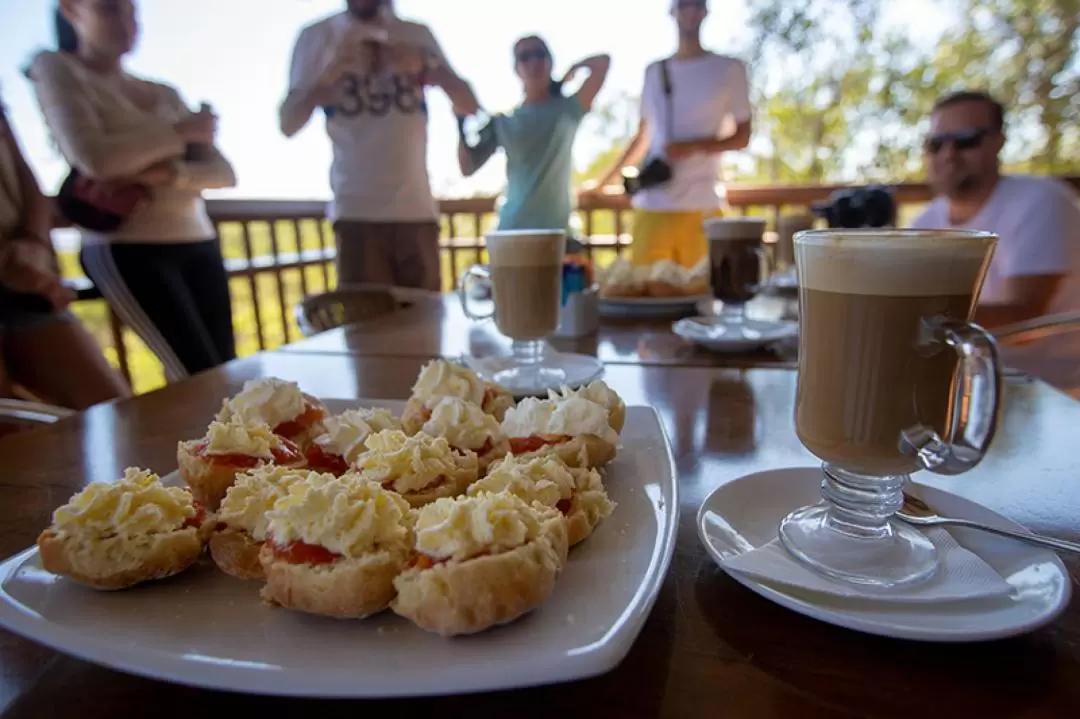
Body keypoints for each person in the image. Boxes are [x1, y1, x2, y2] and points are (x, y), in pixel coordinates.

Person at [28, 0, 238, 382]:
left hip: (199, 238)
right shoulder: (57, 68)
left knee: (223, 369)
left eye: (131, 11)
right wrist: (181, 134)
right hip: (130, 247)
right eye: (109, 9)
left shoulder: (165, 93)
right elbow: (97, 160)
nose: (127, 23)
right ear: (71, 11)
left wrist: (156, 173)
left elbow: (224, 173)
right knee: (197, 375)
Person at [280, 0, 480, 291]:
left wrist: (428, 68)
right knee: (366, 332)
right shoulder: (317, 37)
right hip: (356, 215)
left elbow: (470, 105)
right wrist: (329, 75)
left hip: (417, 212)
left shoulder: (416, 34)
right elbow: (288, 124)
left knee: (427, 330)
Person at [586, 0, 752, 268]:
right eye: (683, 4)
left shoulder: (730, 69)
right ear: (672, 10)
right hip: (653, 206)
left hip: (703, 205)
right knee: (645, 293)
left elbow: (742, 136)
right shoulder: (654, 72)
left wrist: (694, 146)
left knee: (702, 297)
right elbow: (642, 137)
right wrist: (603, 183)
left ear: (705, 11)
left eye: (696, 4)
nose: (690, 10)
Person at [911, 91, 1080, 329]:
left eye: (966, 140)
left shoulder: (1042, 200)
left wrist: (906, 316)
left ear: (999, 142)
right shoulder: (923, 223)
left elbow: (1026, 318)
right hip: (973, 364)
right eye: (936, 144)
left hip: (1046, 367)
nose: (948, 154)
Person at [0, 94, 128, 409]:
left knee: (117, 411)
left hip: (26, 278)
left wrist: (33, 244)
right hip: (19, 270)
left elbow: (24, 173)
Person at [457, 36, 610, 233]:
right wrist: (459, 123)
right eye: (525, 57)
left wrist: (571, 70)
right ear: (516, 68)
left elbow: (603, 62)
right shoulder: (503, 121)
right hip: (512, 231)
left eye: (540, 54)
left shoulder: (568, 109)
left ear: (550, 61)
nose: (534, 62)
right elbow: (467, 167)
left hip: (560, 234)